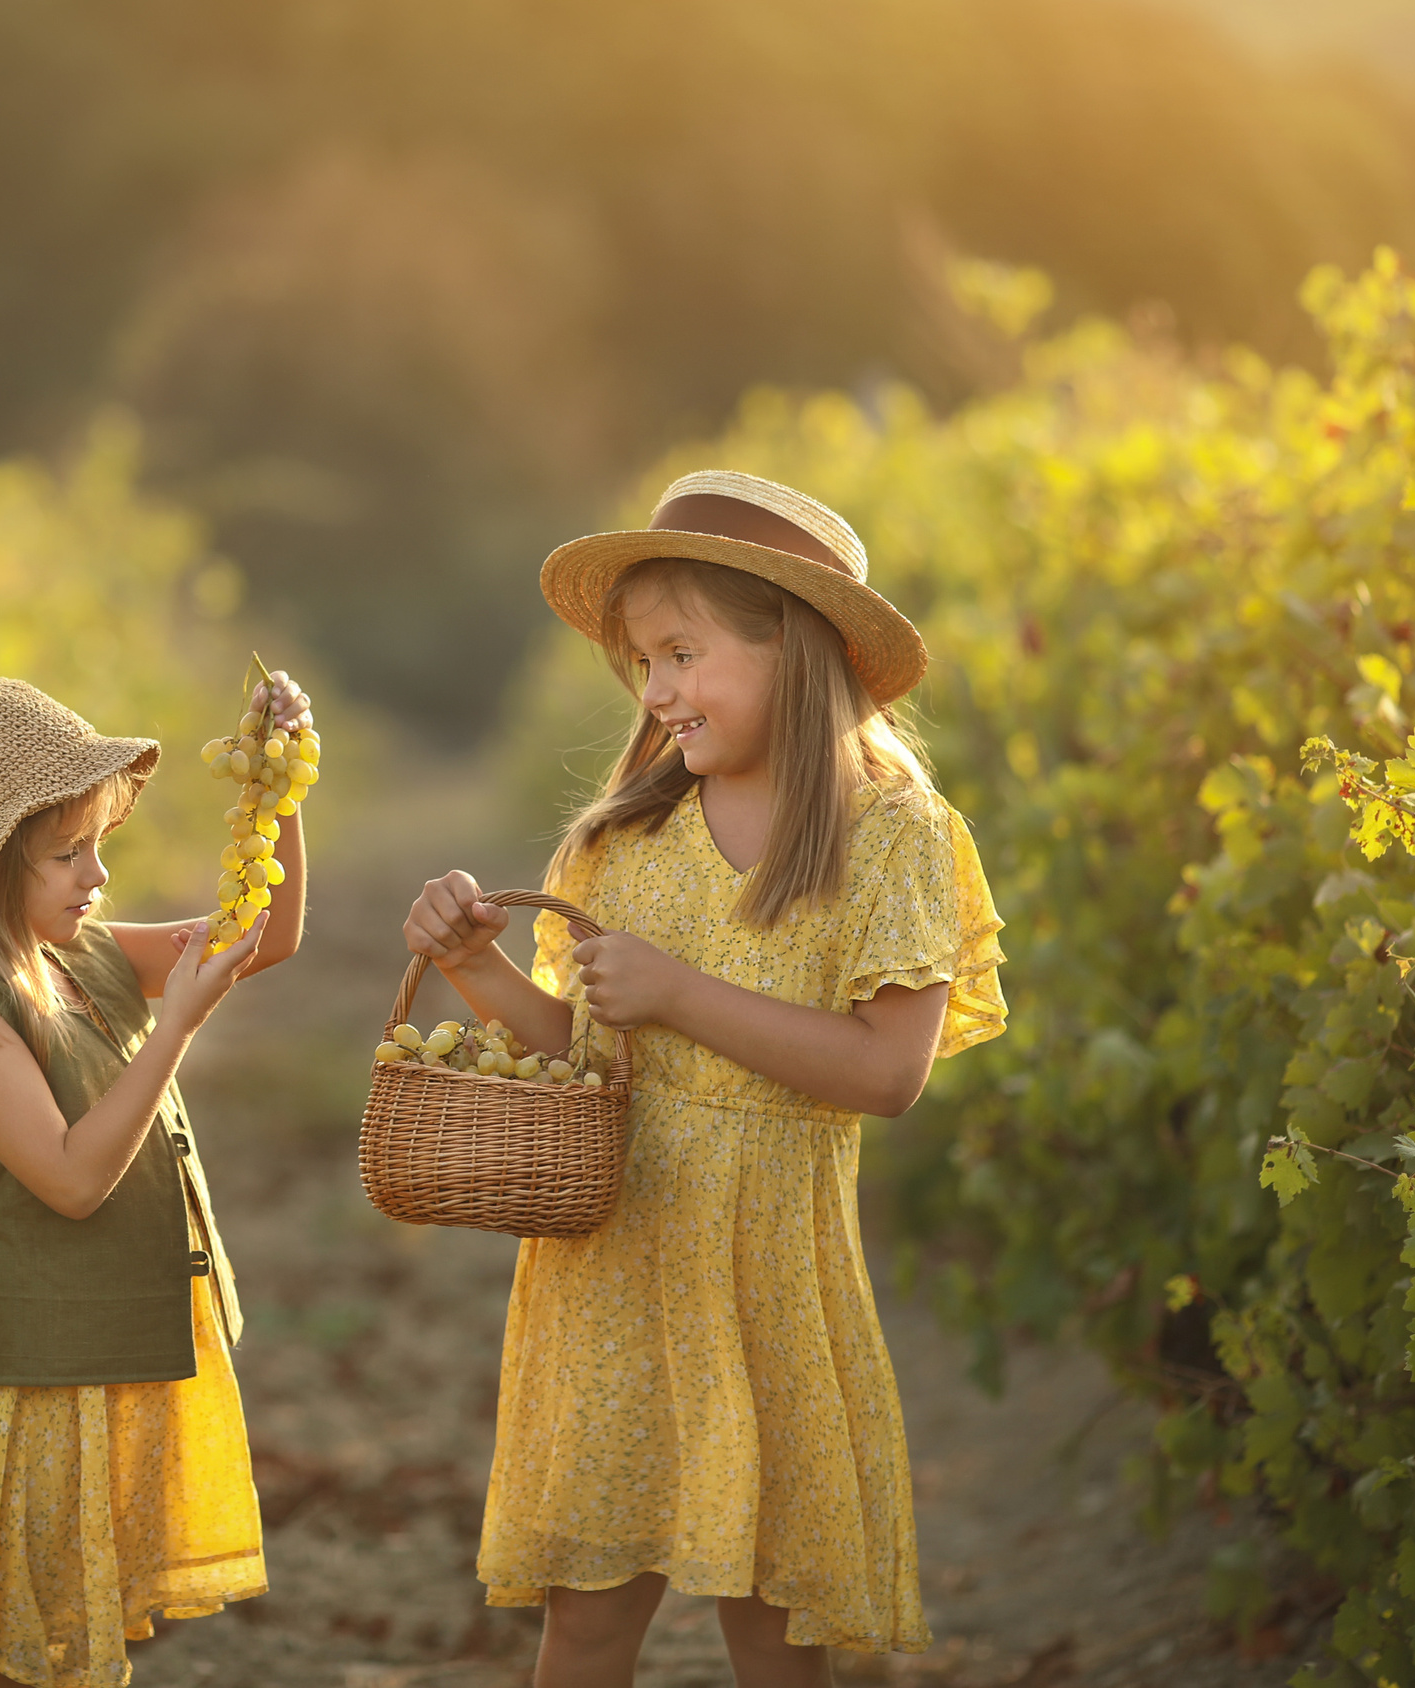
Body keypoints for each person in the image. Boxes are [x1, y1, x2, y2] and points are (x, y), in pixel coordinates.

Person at [403, 471, 1005, 1688]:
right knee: (582, 1620)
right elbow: (584, 1053)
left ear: (798, 648)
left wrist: (683, 994)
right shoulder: (619, 843)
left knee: (777, 1628)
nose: (658, 690)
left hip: (770, 1278)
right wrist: (474, 974)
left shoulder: (891, 834)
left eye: (682, 651)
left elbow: (889, 1073)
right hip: (610, 1273)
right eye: (640, 664)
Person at [0, 670, 312, 1688]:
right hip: (46, 1388)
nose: (98, 874)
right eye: (68, 853)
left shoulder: (72, 958)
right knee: (30, 1655)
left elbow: (267, 934)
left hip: (117, 1362)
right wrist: (176, 1030)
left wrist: (277, 791)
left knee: (79, 1645)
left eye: (98, 844)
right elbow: (72, 1180)